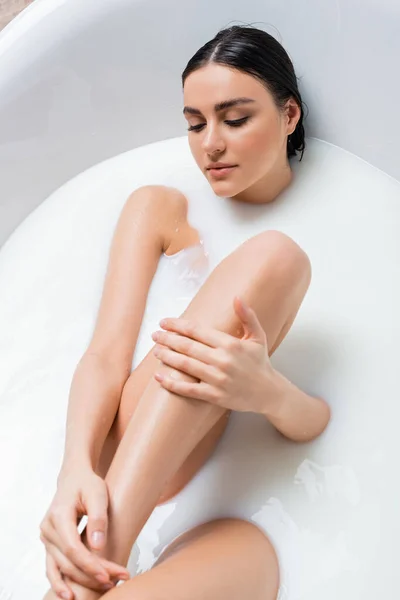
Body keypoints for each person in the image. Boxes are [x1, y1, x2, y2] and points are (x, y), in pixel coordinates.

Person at [39, 25, 331, 600]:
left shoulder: (342, 225)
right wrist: (73, 466)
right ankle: (102, 547)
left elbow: (315, 425)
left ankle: (84, 576)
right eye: (195, 125)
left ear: (289, 115)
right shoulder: (161, 208)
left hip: (223, 507)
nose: (209, 145)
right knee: (274, 257)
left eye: (235, 119)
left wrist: (264, 391)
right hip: (120, 465)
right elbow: (104, 352)